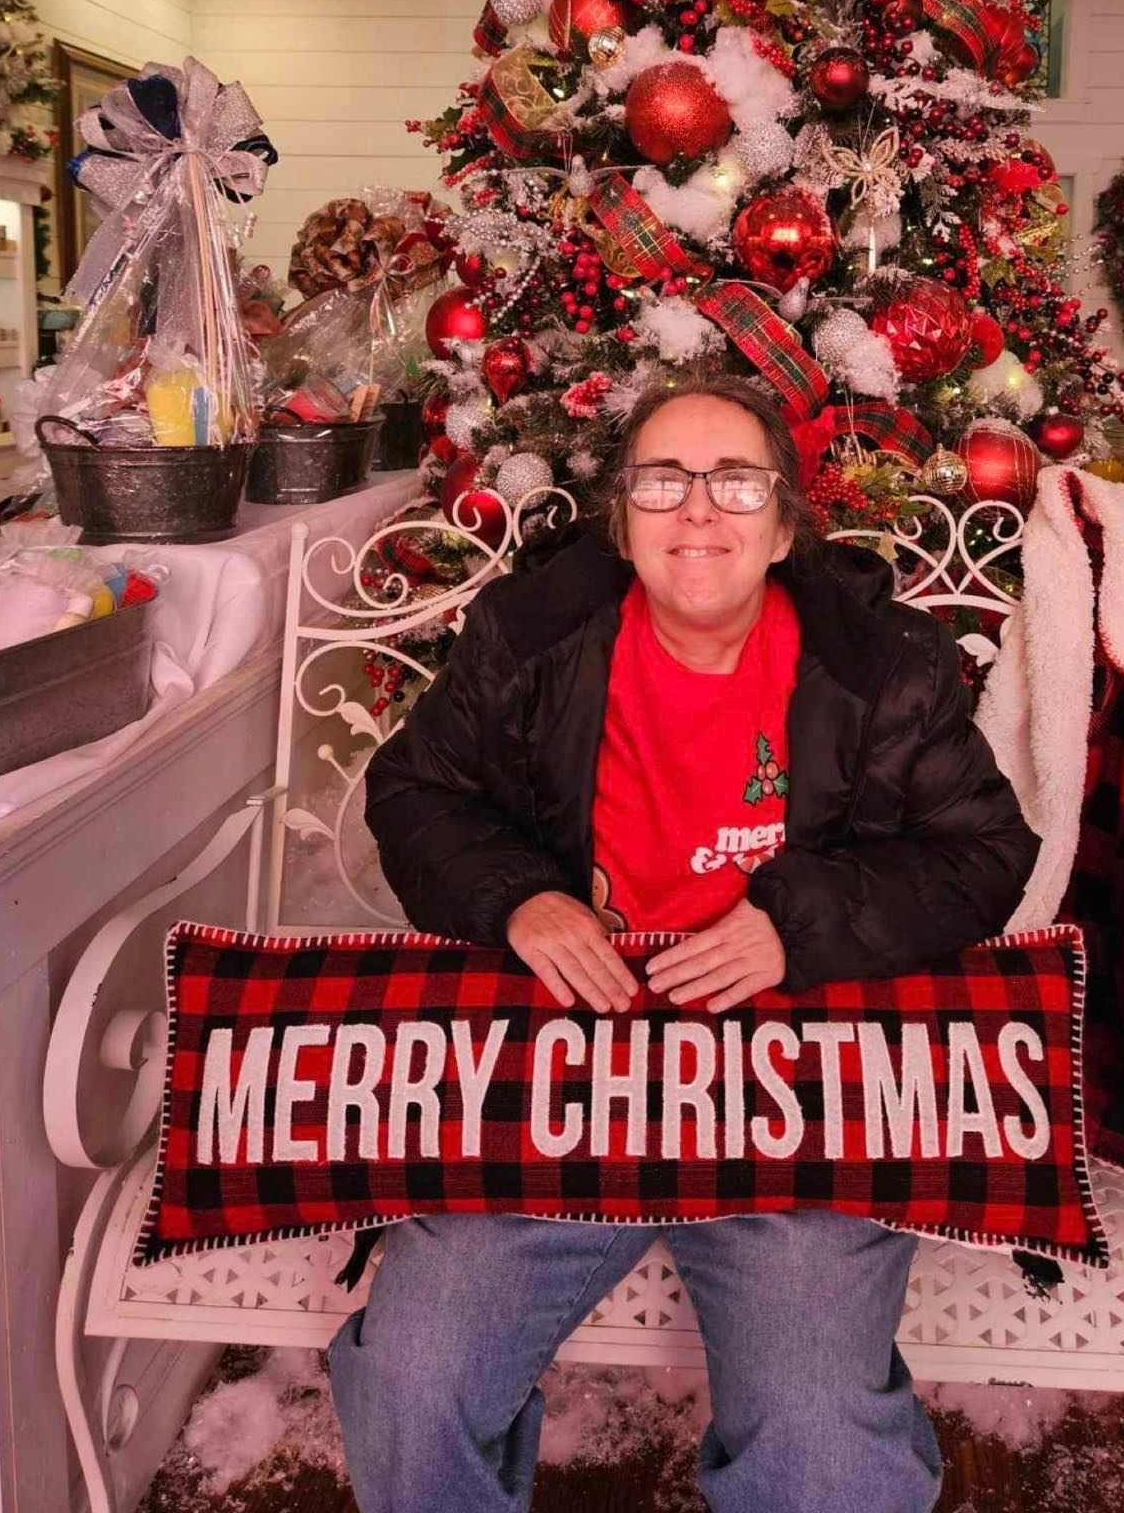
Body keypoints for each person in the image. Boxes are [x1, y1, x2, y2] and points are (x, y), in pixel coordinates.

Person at [332, 372, 1038, 1513]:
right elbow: (417, 793)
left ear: (783, 520)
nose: (696, 510)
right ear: (620, 517)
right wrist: (519, 899)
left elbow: (980, 855)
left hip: (791, 1082)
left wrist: (792, 927)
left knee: (817, 1448)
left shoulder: (877, 665)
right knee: (413, 1379)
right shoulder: (531, 634)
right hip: (563, 1069)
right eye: (662, 480)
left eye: (733, 481)